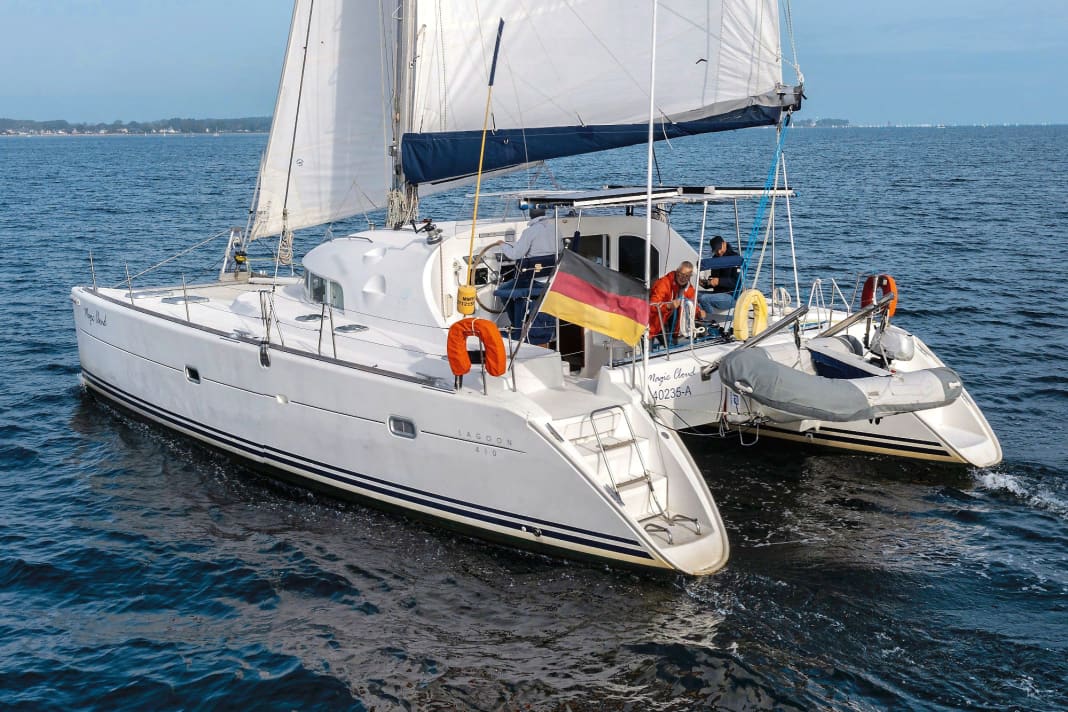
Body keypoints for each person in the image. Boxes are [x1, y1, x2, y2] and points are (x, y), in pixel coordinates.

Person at [649, 261, 705, 345]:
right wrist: (668, 305)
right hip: (653, 322)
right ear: (677, 271)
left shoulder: (688, 288)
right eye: (681, 274)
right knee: (647, 352)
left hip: (669, 325)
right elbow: (652, 306)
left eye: (687, 276)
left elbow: (693, 304)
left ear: (690, 277)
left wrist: (699, 313)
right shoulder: (664, 283)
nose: (683, 278)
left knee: (671, 348)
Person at [697, 235, 740, 313]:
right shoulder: (715, 259)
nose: (719, 252)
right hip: (717, 294)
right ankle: (700, 316)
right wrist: (706, 284)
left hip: (732, 296)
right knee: (694, 294)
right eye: (716, 250)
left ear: (724, 244)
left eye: (720, 249)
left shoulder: (735, 257)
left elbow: (737, 282)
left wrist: (719, 281)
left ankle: (711, 320)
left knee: (704, 298)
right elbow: (713, 280)